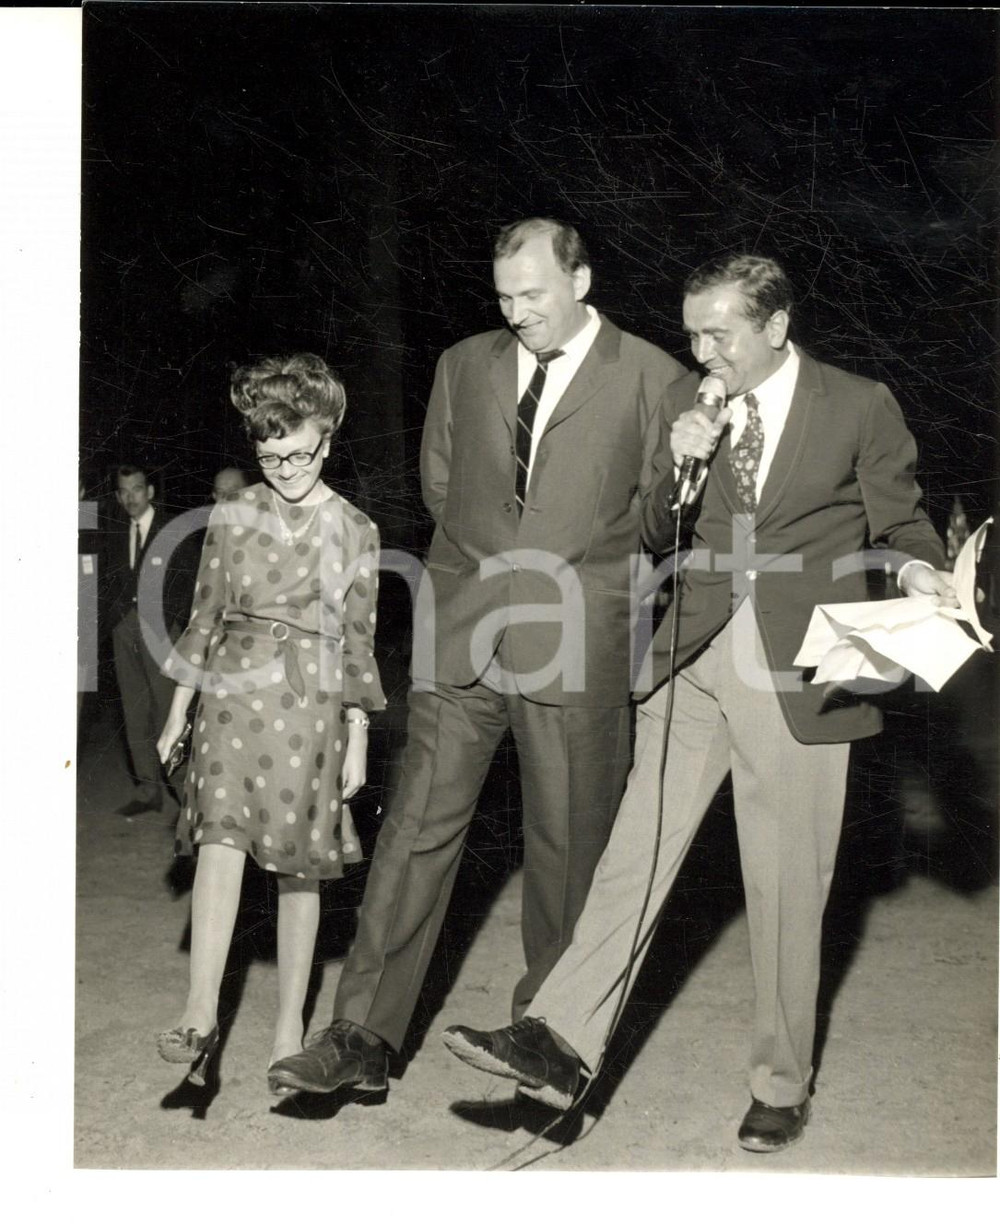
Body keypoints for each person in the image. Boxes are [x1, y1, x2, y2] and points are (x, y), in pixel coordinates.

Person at [442, 254, 957, 1153]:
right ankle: (559, 1040)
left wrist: (920, 573)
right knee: (631, 855)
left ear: (776, 326)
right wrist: (678, 467)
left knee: (786, 884)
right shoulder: (689, 398)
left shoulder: (857, 403)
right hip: (693, 654)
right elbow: (648, 530)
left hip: (801, 664)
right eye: (691, 332)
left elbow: (901, 523)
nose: (702, 350)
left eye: (721, 333)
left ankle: (781, 1083)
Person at [266, 217, 685, 1097]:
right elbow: (443, 487)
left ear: (580, 280)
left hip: (577, 641)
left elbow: (659, 526)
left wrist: (684, 475)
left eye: (533, 294)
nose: (518, 311)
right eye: (504, 296)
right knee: (413, 833)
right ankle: (361, 1037)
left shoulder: (655, 378)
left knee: (568, 848)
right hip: (464, 636)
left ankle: (551, 1037)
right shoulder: (465, 364)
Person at [154, 353, 385, 1087]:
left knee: (297, 869)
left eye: (300, 451)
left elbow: (358, 643)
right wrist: (177, 711)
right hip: (231, 695)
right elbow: (204, 617)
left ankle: (290, 1027)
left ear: (329, 436)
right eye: (268, 453)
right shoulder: (234, 512)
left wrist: (358, 738)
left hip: (311, 705)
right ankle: (199, 1014)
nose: (285, 466)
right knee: (218, 845)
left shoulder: (356, 529)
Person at [105, 463, 197, 816]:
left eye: (137, 489)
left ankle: (182, 791)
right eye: (124, 491)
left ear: (151, 491)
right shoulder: (115, 530)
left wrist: (169, 623)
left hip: (160, 631)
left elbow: (186, 578)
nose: (131, 498)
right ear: (117, 495)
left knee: (167, 709)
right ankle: (148, 791)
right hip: (123, 629)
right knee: (134, 710)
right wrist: (115, 618)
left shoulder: (171, 528)